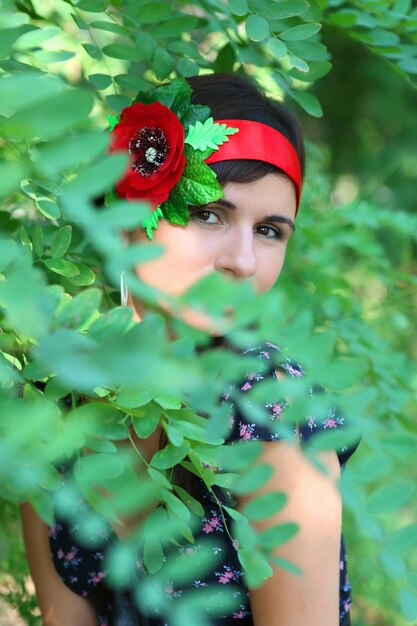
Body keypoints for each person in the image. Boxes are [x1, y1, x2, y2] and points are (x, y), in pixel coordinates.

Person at [20, 73, 358, 626]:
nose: (243, 261)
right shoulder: (54, 392)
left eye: (270, 231)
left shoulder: (269, 412)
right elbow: (62, 614)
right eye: (209, 214)